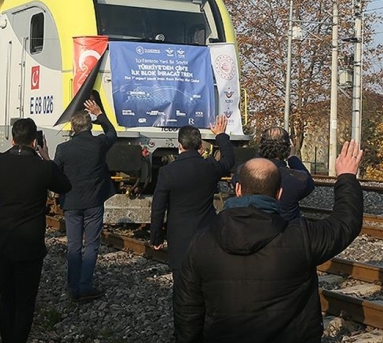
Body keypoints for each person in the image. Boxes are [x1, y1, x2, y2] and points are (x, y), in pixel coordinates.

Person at [174, 141, 364, 343]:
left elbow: (187, 308)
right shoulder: (301, 237)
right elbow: (345, 223)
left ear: (238, 189)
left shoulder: (202, 242)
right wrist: (346, 177)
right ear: (279, 194)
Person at [0, 118, 71, 343]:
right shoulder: (43, 168)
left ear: (12, 139)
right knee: (25, 301)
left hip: (2, 241)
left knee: (7, 298)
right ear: (35, 141)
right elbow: (65, 186)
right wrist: (47, 158)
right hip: (30, 244)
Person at [149, 115, 235, 329]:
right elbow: (229, 160)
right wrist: (221, 135)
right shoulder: (210, 167)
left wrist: (156, 237)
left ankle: (185, 332)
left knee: (182, 293)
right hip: (208, 237)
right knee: (207, 287)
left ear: (179, 145)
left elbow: (158, 208)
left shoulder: (167, 172)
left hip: (179, 240)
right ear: (200, 145)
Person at [54, 99, 117, 302]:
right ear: (89, 126)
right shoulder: (98, 144)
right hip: (94, 202)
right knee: (91, 245)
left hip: (71, 203)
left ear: (73, 128)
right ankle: (85, 286)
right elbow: (112, 133)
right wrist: (100, 113)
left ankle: (73, 287)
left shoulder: (63, 149)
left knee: (73, 246)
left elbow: (56, 174)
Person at [231, 126, 314, 221]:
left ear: (261, 146)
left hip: (247, 226)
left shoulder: (242, 170)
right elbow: (310, 184)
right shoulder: (297, 179)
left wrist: (261, 154)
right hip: (285, 230)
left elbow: (235, 182)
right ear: (287, 149)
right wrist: (292, 157)